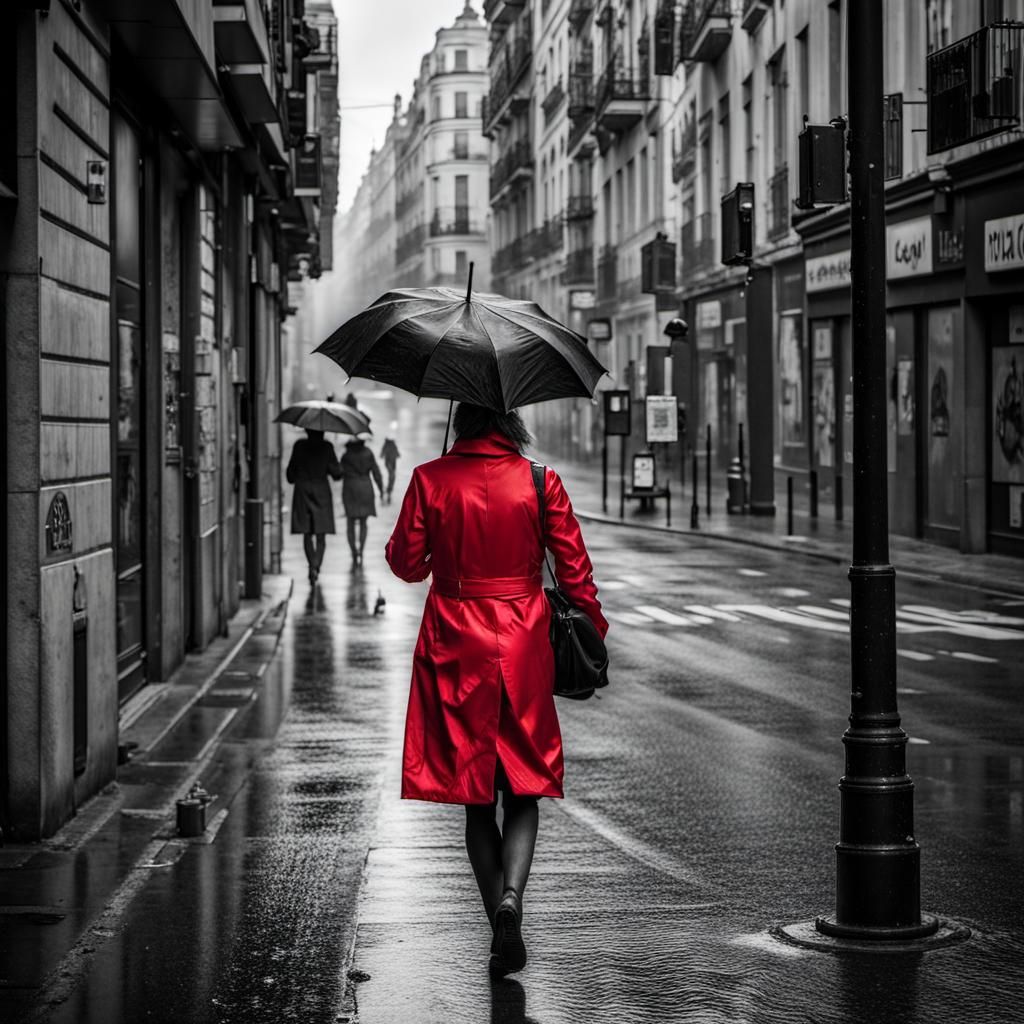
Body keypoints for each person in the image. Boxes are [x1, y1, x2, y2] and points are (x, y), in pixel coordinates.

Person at [385, 403, 607, 977]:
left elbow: (406, 565)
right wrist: (592, 635)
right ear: (509, 423)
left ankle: (498, 925)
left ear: (461, 421)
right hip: (524, 639)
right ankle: (513, 896)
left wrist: (441, 543)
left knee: (476, 798)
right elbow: (575, 571)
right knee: (524, 788)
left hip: (455, 642)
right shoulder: (540, 480)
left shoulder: (430, 479)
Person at [285, 428, 343, 584]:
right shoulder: (327, 447)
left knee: (307, 532)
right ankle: (316, 565)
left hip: (302, 491)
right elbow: (336, 474)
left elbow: (290, 475)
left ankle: (312, 565)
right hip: (322, 491)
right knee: (321, 533)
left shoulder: (299, 446)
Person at [341, 431, 384, 566]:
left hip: (350, 488)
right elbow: (376, 472)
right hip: (365, 487)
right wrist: (381, 488)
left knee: (350, 522)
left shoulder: (346, 456)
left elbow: (338, 472)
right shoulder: (368, 453)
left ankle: (353, 550)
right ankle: (361, 551)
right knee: (364, 523)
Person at [380, 437, 401, 503]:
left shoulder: (386, 445)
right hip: (391, 464)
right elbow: (398, 455)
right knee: (392, 476)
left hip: (390, 464)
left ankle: (388, 489)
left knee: (391, 476)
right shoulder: (392, 445)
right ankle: (389, 490)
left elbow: (381, 455)